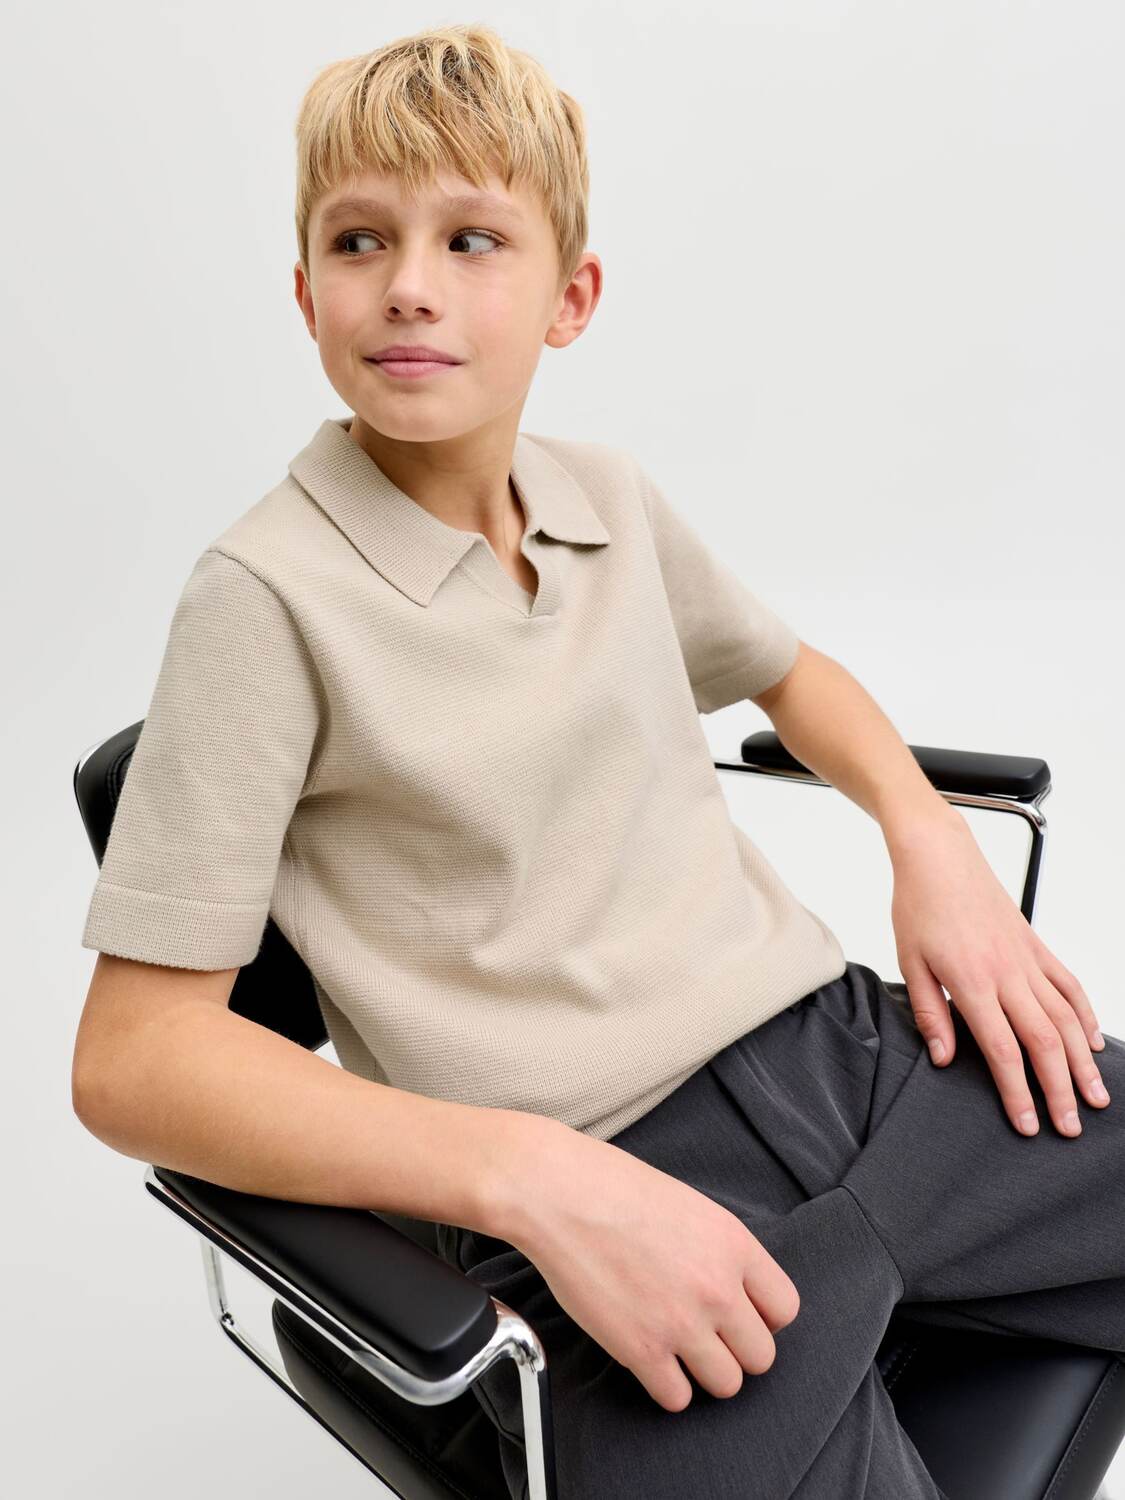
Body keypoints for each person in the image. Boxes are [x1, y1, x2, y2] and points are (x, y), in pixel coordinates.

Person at [71, 23, 1124, 1500]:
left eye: (472, 239)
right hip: (608, 1171)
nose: (410, 284)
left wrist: (926, 840)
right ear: (306, 293)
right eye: (360, 240)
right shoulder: (263, 602)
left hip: (845, 1054)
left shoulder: (607, 501)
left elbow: (791, 673)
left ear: (571, 297)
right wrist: (530, 1177)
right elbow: (132, 1060)